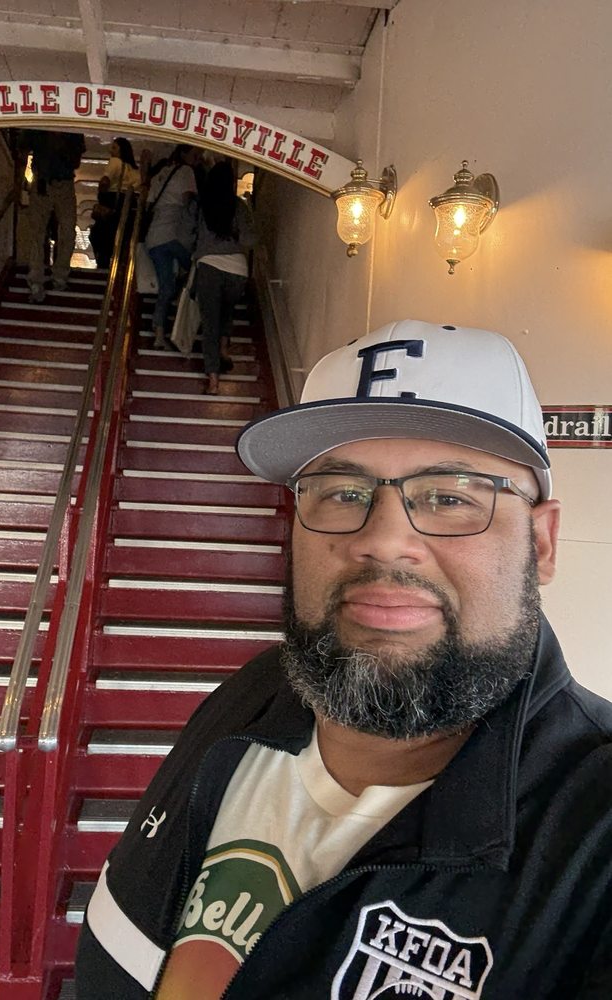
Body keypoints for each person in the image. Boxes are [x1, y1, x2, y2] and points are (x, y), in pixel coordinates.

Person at [75, 320, 612, 999]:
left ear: (542, 543)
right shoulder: (253, 696)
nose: (383, 540)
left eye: (450, 497)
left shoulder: (593, 830)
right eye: (341, 492)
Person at [193, 161, 256, 394]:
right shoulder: (239, 206)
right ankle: (224, 348)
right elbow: (250, 239)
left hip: (209, 266)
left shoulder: (201, 205)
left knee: (210, 322)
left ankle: (213, 380)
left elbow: (189, 234)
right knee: (226, 310)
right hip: (237, 269)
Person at [16, 129, 85, 303]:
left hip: (58, 181)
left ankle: (53, 276)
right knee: (39, 232)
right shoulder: (42, 128)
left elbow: (76, 160)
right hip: (45, 181)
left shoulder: (68, 131)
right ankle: (44, 277)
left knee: (65, 230)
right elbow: (23, 148)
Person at [144, 144, 200, 350]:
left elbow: (148, 203)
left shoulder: (160, 174)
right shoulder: (186, 171)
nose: (197, 159)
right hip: (175, 235)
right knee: (196, 269)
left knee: (165, 287)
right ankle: (181, 304)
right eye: (195, 154)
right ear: (184, 154)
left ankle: (159, 335)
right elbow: (188, 201)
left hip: (154, 238)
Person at [89, 137, 141, 269]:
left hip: (112, 200)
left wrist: (101, 194)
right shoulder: (134, 170)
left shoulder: (115, 162)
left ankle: (103, 264)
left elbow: (106, 180)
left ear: (122, 150)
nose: (110, 150)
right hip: (128, 204)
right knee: (119, 236)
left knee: (99, 235)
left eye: (114, 147)